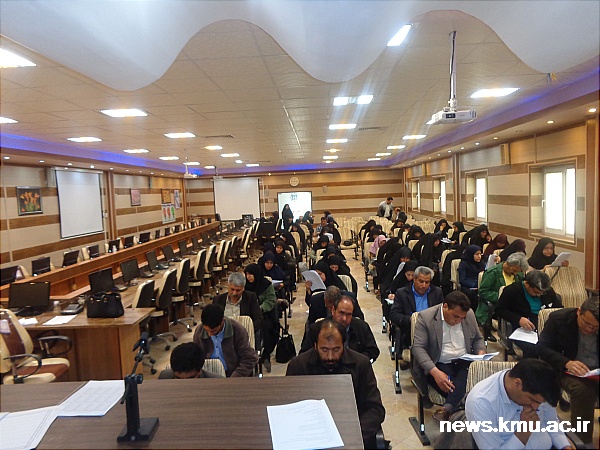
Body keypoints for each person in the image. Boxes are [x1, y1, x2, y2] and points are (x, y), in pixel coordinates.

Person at [286, 319, 385, 449]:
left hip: (352, 437)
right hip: (311, 437)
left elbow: (375, 409)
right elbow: (289, 409)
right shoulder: (298, 366)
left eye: (336, 349)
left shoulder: (361, 364)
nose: (330, 356)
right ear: (315, 345)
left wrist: (354, 435)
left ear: (344, 344)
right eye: (324, 349)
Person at [412, 291, 486, 422]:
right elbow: (418, 348)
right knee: (456, 382)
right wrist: (435, 372)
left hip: (465, 360)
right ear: (445, 306)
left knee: (466, 374)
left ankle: (448, 409)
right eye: (456, 317)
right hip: (439, 362)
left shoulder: (468, 314)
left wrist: (480, 353)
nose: (459, 321)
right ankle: (461, 407)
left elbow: (478, 338)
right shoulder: (426, 317)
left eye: (462, 318)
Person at [465, 359, 570, 450]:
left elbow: (551, 423)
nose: (536, 407)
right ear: (517, 384)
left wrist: (565, 446)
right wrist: (524, 432)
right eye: (533, 400)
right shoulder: (481, 403)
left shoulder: (540, 388)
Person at [536, 296, 599, 445]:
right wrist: (566, 363)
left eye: (595, 328)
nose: (589, 330)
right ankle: (582, 442)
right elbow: (541, 348)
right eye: (586, 323)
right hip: (567, 369)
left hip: (596, 370)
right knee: (583, 391)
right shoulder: (559, 319)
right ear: (579, 312)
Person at [495, 270, 563, 358]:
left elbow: (559, 308)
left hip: (546, 325)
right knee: (533, 348)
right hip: (523, 329)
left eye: (542, 293)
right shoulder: (511, 291)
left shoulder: (547, 291)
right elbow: (499, 310)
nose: (540, 295)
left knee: (560, 344)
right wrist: (519, 319)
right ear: (527, 284)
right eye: (536, 292)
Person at [390, 266, 444, 370]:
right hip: (410, 330)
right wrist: (411, 319)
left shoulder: (437, 292)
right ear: (414, 279)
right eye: (421, 281)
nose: (424, 285)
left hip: (432, 330)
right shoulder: (402, 293)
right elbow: (394, 315)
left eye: (427, 282)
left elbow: (441, 312)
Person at [300, 295, 380, 362]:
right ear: (333, 310)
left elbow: (373, 351)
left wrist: (358, 362)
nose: (344, 318)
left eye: (348, 314)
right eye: (341, 313)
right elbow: (304, 354)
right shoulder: (316, 329)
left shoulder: (362, 327)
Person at [193, 304, 258, 377]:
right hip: (209, 374)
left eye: (213, 331)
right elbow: (196, 358)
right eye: (207, 331)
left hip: (234, 374)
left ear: (222, 322)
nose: (210, 334)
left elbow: (249, 358)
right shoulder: (199, 331)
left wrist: (235, 377)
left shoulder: (237, 330)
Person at [476, 252, 528, 342]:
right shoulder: (493, 273)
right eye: (513, 270)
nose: (515, 273)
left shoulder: (518, 274)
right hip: (496, 304)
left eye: (517, 271)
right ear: (507, 264)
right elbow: (483, 292)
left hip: (514, 304)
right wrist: (501, 296)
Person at [244, 263, 277, 372]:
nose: (248, 277)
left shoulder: (266, 285)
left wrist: (259, 308)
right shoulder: (244, 286)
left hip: (264, 313)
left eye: (251, 274)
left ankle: (265, 354)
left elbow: (271, 300)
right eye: (247, 274)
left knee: (265, 327)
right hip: (249, 314)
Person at [158, 342, 224, 379]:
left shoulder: (217, 382)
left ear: (199, 371)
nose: (183, 384)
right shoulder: (164, 377)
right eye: (178, 378)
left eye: (190, 378)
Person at [458, 244, 485, 311]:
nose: (479, 256)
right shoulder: (464, 264)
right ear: (471, 254)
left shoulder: (482, 263)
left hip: (481, 283)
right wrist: (474, 285)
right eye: (477, 254)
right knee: (472, 293)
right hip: (468, 285)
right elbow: (462, 280)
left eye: (480, 254)